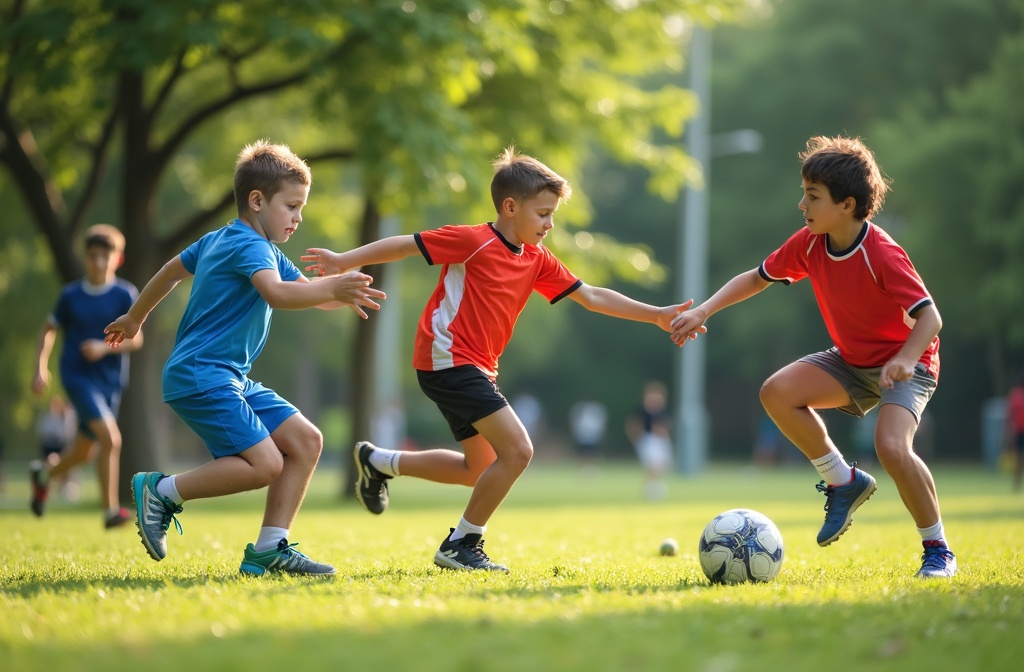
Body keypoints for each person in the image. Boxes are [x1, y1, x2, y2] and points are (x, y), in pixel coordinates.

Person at [303, 146, 696, 573]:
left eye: (552, 215)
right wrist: (344, 261)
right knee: (520, 451)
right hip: (447, 359)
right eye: (543, 214)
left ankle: (378, 462)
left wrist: (655, 314)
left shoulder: (536, 259)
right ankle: (462, 543)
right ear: (510, 207)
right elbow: (404, 246)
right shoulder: (473, 241)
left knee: (480, 468)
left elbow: (592, 296)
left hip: (472, 367)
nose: (549, 224)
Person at [670, 135, 957, 579]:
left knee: (892, 448)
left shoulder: (880, 251)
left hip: (908, 365)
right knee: (777, 392)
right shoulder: (809, 243)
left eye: (812, 196)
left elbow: (931, 317)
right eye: (804, 193)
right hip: (851, 360)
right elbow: (758, 277)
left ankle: (938, 550)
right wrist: (705, 309)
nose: (801, 204)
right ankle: (843, 481)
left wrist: (905, 358)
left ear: (847, 204)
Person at [104, 140, 385, 576]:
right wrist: (332, 289)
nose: (298, 217)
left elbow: (170, 272)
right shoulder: (250, 247)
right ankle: (162, 491)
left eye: (301, 208)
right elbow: (278, 293)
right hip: (204, 373)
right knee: (266, 464)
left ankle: (270, 548)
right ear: (257, 200)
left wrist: (135, 317)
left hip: (227, 376)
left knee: (306, 441)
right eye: (291, 206)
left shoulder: (232, 242)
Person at [31, 224, 142, 528]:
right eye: (92, 256)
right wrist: (41, 366)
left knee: (84, 451)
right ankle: (110, 511)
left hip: (110, 382)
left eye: (105, 256)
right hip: (77, 377)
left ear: (117, 259)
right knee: (111, 439)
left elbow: (137, 339)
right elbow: (49, 329)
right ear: (85, 257)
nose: (98, 262)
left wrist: (104, 348)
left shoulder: (125, 293)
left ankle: (44, 475)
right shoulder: (71, 296)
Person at [625, 380, 673, 501]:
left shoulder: (662, 411)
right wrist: (637, 438)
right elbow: (632, 424)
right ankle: (651, 489)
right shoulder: (641, 410)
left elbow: (665, 425)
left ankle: (655, 486)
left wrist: (665, 434)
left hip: (661, 440)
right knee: (651, 464)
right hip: (648, 439)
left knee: (662, 464)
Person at [36, 395, 81, 501]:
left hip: (64, 446)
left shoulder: (70, 417)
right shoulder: (48, 417)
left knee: (68, 466)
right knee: (51, 462)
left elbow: (70, 433)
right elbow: (43, 432)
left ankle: (65, 488)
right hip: (50, 446)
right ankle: (45, 486)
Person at [569, 398, 608, 471]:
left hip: (594, 435)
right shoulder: (579, 409)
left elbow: (602, 422)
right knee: (581, 453)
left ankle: (594, 469)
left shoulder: (597, 409)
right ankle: (582, 469)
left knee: (594, 453)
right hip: (582, 435)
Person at [1005, 372, 1024, 492]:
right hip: (1019, 431)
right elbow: (1010, 414)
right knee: (1018, 458)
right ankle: (1017, 482)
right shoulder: (1015, 394)